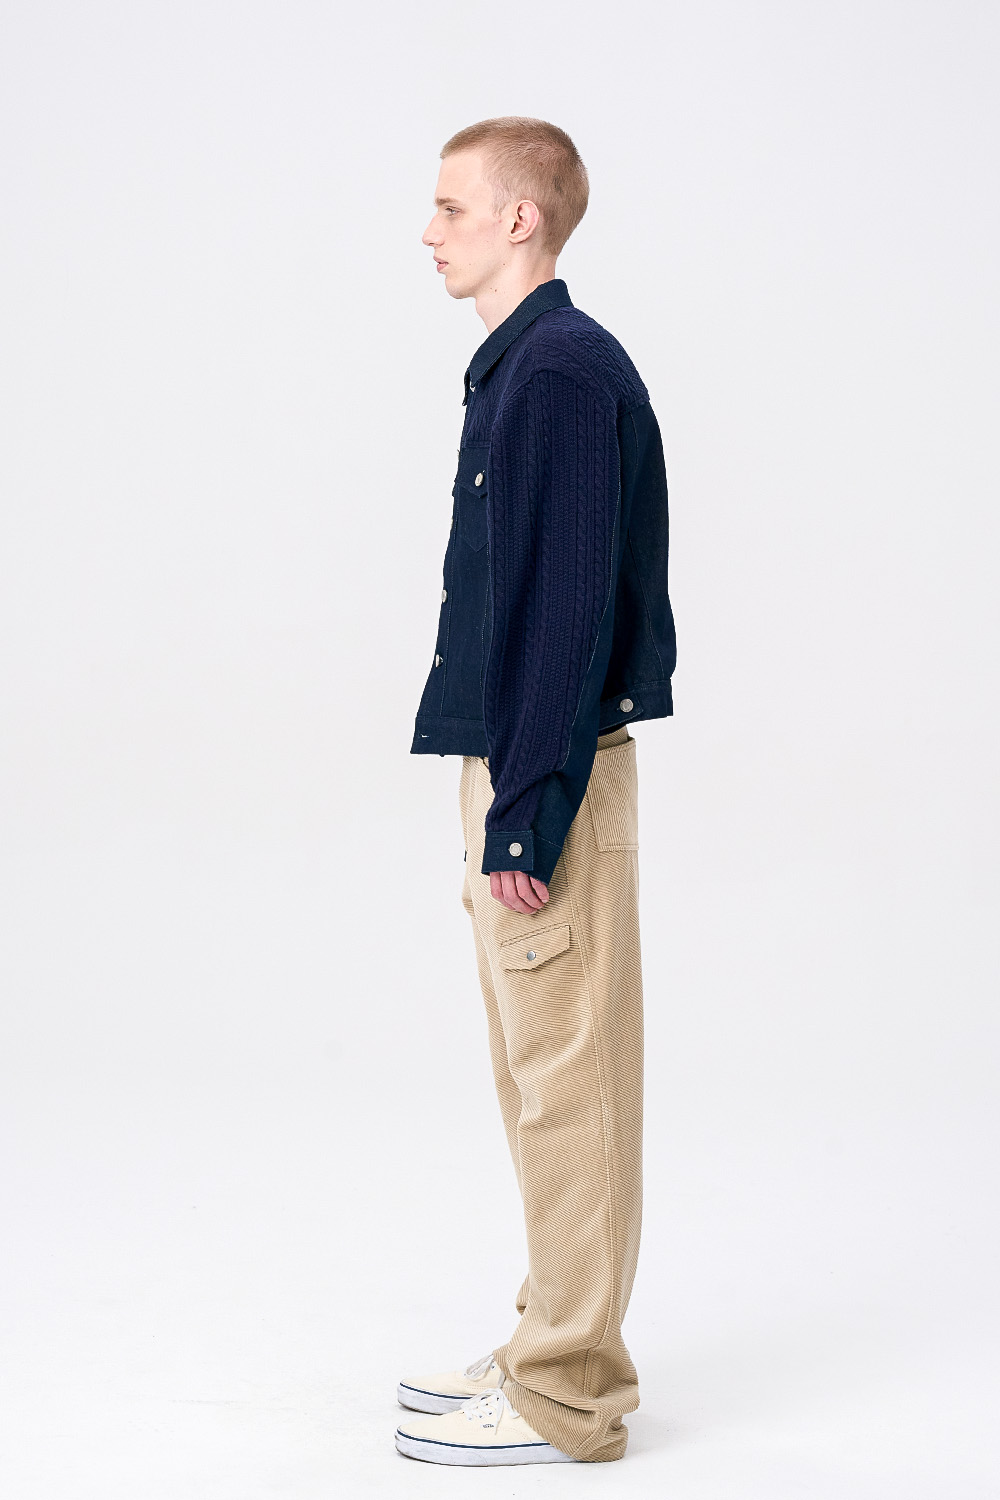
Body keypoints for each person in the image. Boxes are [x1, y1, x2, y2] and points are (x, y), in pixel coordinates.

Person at [396, 116, 676, 1467]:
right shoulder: (523, 367)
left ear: (523, 219)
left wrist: (527, 813)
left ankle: (570, 1390)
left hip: (544, 774)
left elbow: (567, 611)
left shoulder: (558, 373)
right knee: (539, 1079)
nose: (430, 232)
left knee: (571, 1085)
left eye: (452, 208)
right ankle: (548, 1339)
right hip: (519, 759)